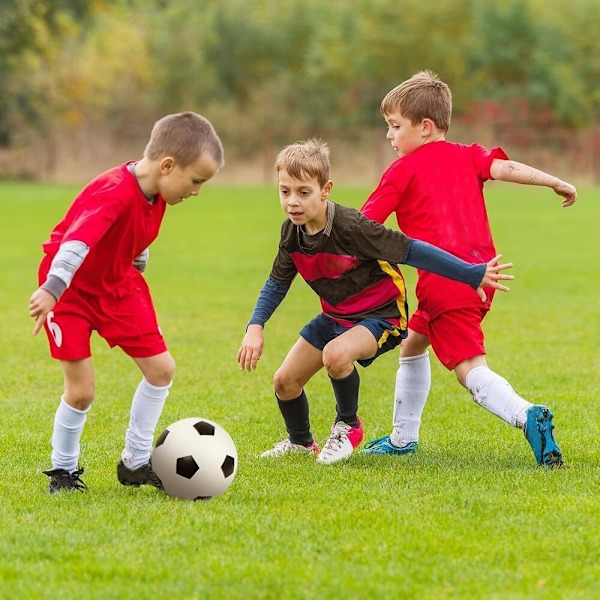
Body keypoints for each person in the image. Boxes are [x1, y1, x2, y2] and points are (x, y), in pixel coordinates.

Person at [237, 138, 514, 465]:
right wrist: (255, 325)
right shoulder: (291, 233)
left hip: (381, 315)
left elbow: (413, 250)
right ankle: (300, 442)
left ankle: (347, 425)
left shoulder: (351, 228)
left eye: (303, 192)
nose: (292, 202)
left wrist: (470, 273)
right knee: (285, 382)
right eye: (285, 191)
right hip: (337, 316)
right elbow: (277, 282)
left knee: (335, 355)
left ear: (326, 189)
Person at [359, 70, 577, 467]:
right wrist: (555, 181)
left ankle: (526, 415)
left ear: (425, 127)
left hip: (447, 281)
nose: (389, 136)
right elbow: (507, 169)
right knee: (412, 344)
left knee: (470, 370)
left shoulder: (401, 171)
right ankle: (403, 437)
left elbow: (364, 226)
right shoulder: (468, 154)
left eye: (394, 126)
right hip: (482, 273)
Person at [29, 112, 224, 493]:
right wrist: (52, 289)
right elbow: (77, 243)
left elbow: (134, 230)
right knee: (81, 391)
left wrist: (138, 256)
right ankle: (63, 471)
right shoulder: (114, 190)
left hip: (118, 285)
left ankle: (135, 462)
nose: (197, 190)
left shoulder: (157, 191)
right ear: (167, 166)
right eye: (196, 180)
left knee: (161, 369)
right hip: (70, 291)